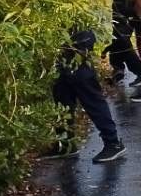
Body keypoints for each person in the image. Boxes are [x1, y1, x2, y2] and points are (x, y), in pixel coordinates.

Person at [53, 26, 128, 163]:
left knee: (87, 89)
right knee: (61, 92)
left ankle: (113, 142)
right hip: (64, 42)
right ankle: (66, 143)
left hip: (77, 40)